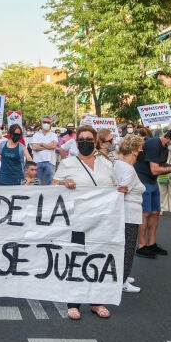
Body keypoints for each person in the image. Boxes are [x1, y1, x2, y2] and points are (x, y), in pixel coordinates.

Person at [52, 125, 124, 320]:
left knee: (98, 258)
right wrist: (64, 183)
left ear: (95, 142)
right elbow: (53, 187)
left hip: (102, 221)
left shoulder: (107, 164)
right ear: (76, 143)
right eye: (81, 139)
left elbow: (114, 187)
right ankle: (73, 302)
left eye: (89, 139)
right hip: (77, 220)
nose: (85, 142)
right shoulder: (67, 164)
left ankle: (96, 301)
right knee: (76, 259)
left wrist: (121, 191)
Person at [134, 128, 171, 258]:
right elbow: (154, 169)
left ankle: (151, 244)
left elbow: (162, 166)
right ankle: (141, 246)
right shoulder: (154, 144)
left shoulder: (167, 148)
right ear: (168, 138)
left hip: (152, 181)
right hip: (143, 180)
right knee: (145, 213)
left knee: (155, 212)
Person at [113, 134, 146, 293]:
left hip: (124, 213)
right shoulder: (129, 170)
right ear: (133, 150)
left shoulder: (119, 165)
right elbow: (122, 190)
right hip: (129, 213)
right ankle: (123, 280)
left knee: (123, 246)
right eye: (140, 148)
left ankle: (122, 275)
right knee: (128, 247)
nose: (141, 151)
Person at [31, 116, 58, 184]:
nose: (46, 124)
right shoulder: (36, 135)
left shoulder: (54, 135)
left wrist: (42, 144)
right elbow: (34, 148)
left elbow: (54, 146)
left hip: (50, 162)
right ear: (41, 123)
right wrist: (48, 146)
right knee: (37, 184)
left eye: (48, 122)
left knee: (50, 184)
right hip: (37, 162)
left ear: (51, 124)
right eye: (44, 122)